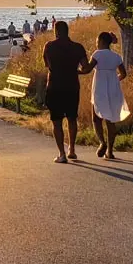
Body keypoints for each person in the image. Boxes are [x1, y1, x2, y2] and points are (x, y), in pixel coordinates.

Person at [42, 20, 90, 163]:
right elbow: (86, 68)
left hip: (55, 87)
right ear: (68, 31)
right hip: (72, 86)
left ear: (56, 31)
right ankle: (72, 150)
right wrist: (76, 72)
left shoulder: (49, 47)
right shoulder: (78, 47)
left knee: (56, 121)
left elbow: (47, 65)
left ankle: (61, 154)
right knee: (72, 118)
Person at [84, 32, 129, 160]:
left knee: (96, 118)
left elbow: (87, 69)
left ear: (102, 41)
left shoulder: (97, 54)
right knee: (110, 119)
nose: (96, 43)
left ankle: (102, 142)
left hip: (100, 88)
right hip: (113, 89)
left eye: (97, 41)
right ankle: (110, 151)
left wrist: (75, 70)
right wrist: (114, 80)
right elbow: (123, 74)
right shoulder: (116, 56)